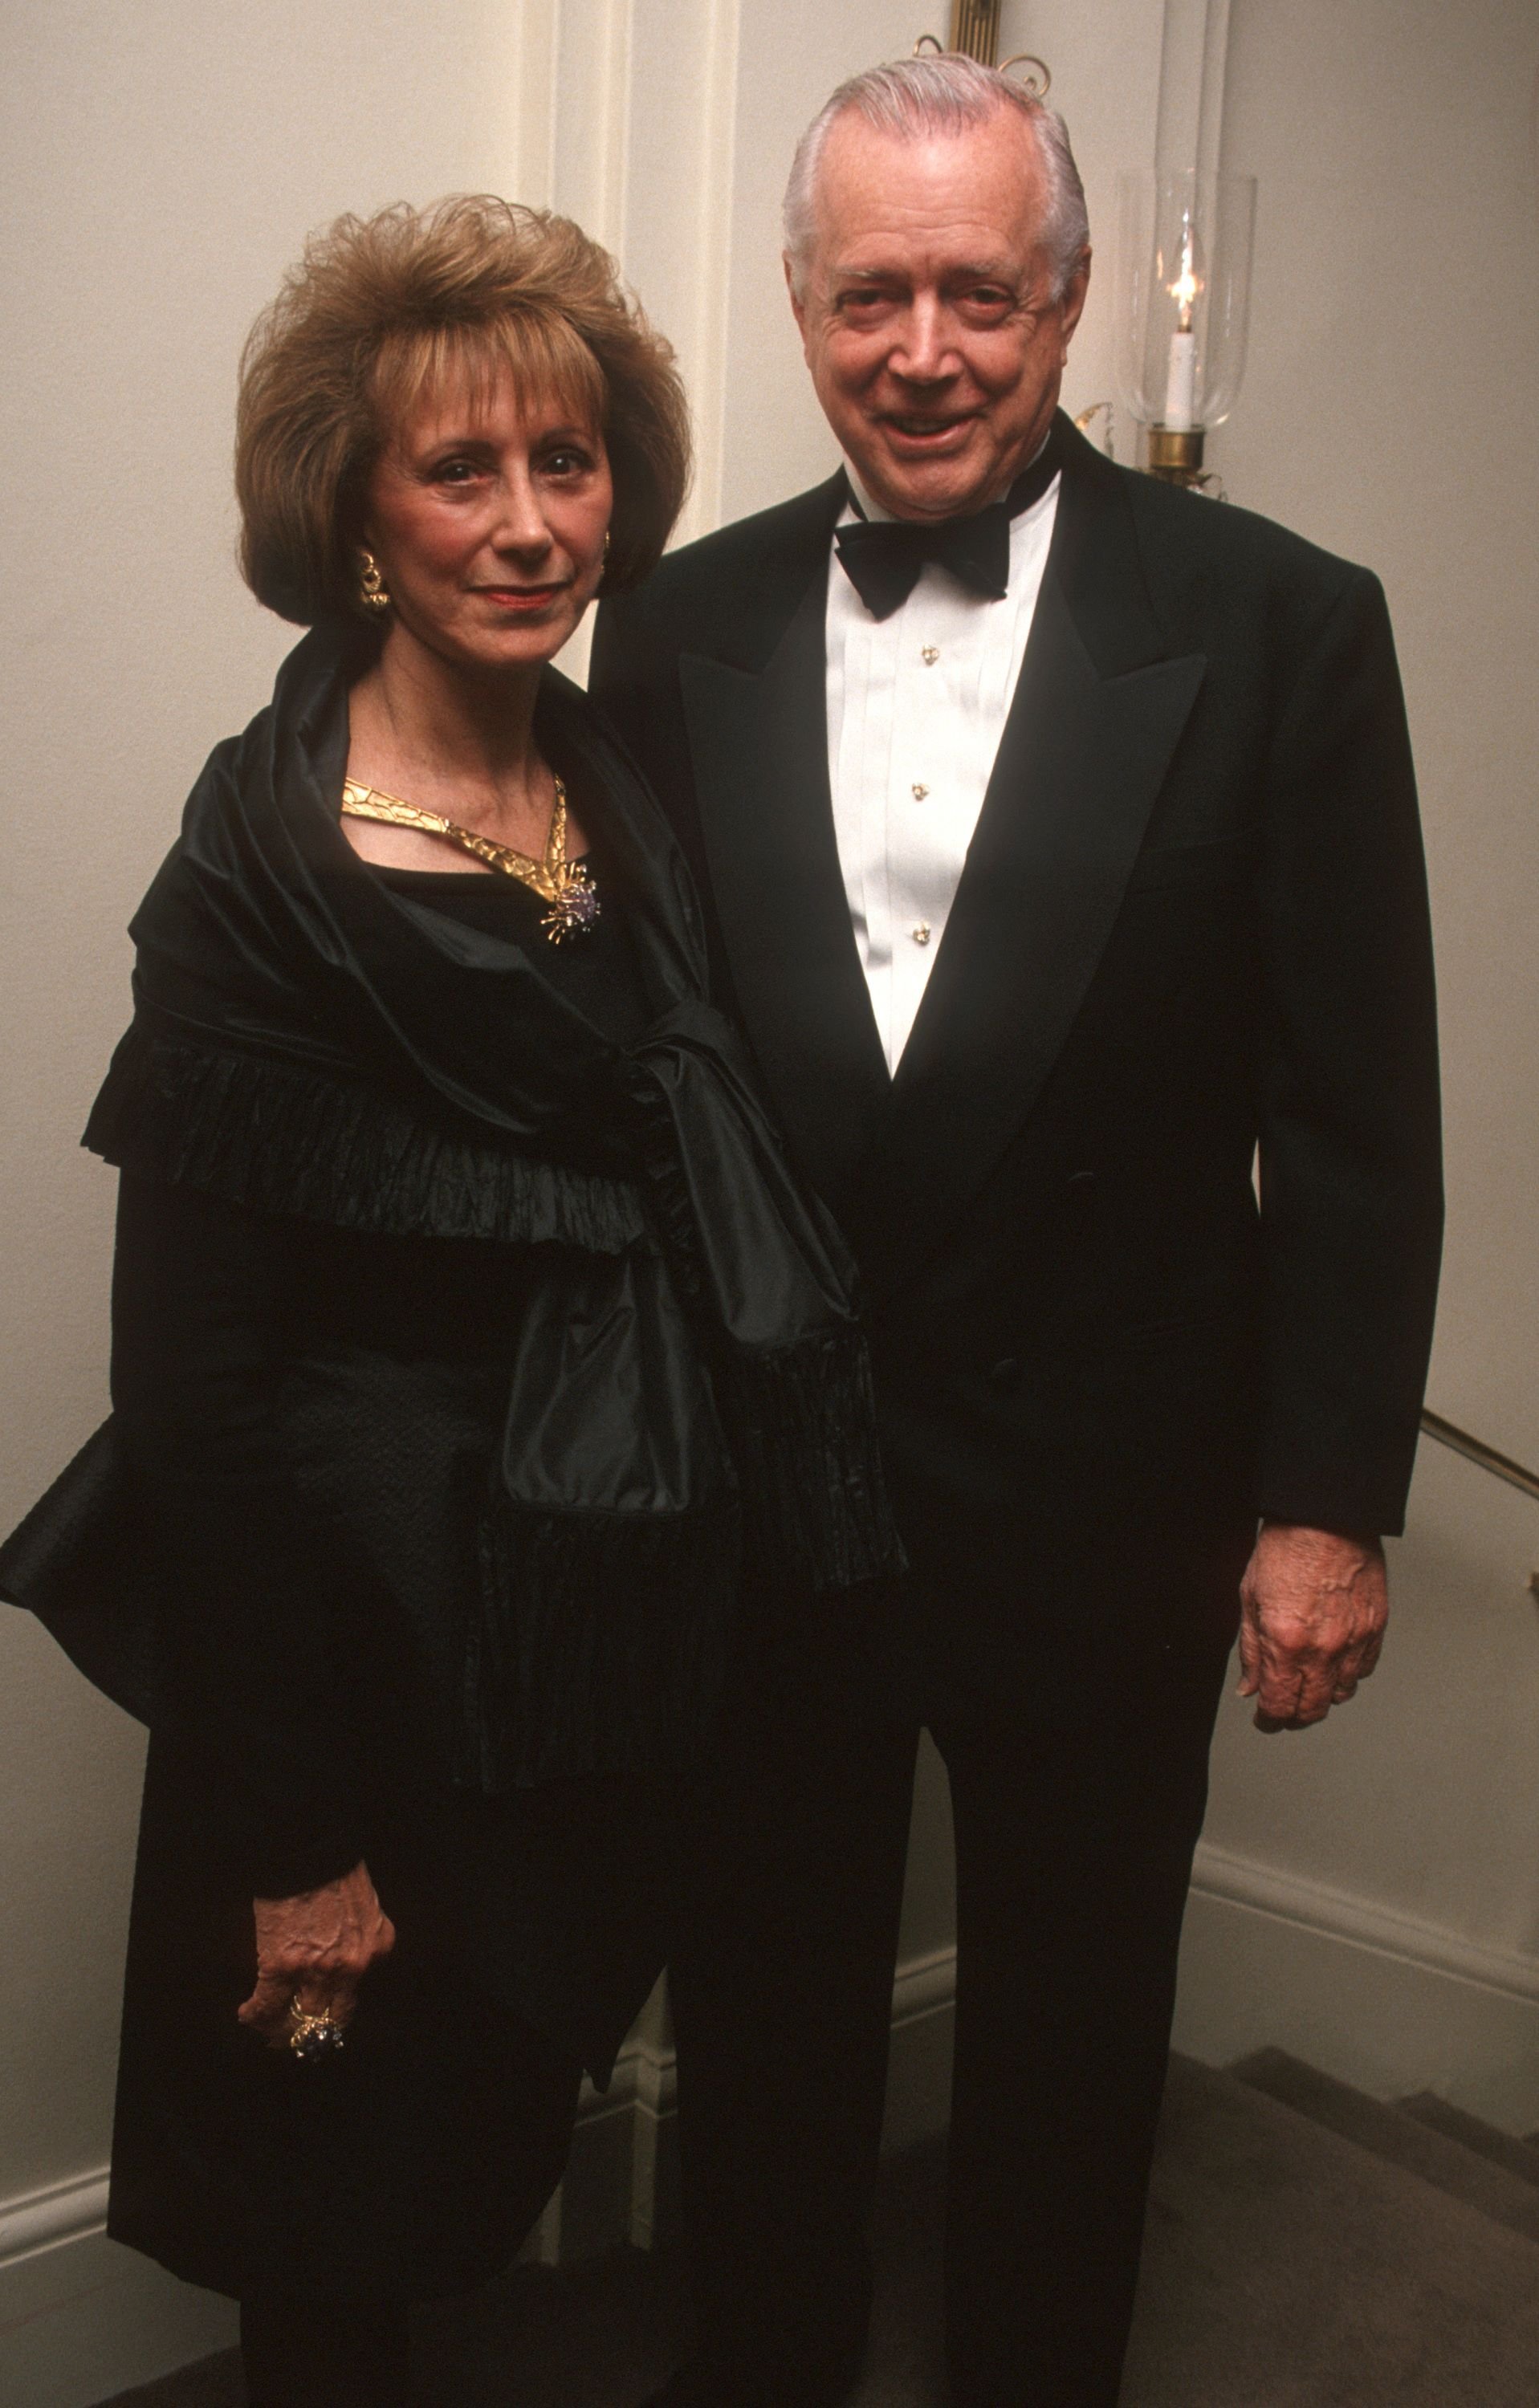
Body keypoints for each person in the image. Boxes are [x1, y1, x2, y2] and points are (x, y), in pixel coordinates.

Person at [590, 54, 1443, 2408]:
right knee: (764, 2043)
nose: (926, 348)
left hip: (1114, 1496)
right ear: (798, 300)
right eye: (873, 293)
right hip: (771, 1502)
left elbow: (1358, 1112)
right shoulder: (671, 630)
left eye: (982, 287)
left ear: (1064, 303)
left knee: (1073, 2054)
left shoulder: (1285, 624)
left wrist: (1326, 1505)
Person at [0, 194, 900, 2408]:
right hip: (349, 1659)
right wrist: (299, 1841)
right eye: (460, 472)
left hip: (599, 1620)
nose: (527, 525)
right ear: (357, 512)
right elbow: (196, 1397)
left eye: (567, 465)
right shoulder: (266, 875)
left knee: (477, 2138)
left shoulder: (622, 790)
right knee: (332, 2196)